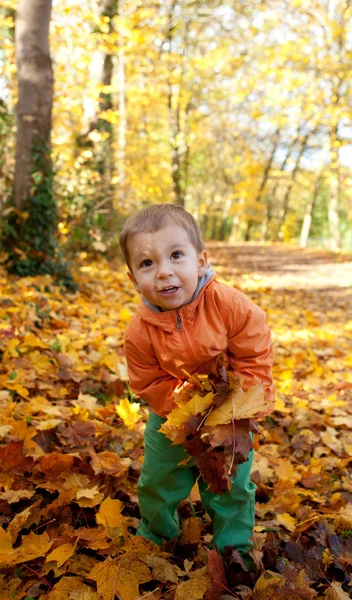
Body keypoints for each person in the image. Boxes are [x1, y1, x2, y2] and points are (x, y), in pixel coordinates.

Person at [119, 203, 275, 563]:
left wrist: (241, 405)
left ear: (201, 261)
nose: (164, 272)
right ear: (132, 278)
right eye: (147, 263)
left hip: (230, 413)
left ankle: (234, 547)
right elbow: (148, 381)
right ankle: (156, 537)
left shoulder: (230, 305)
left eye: (176, 256)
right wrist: (187, 411)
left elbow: (254, 354)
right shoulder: (140, 332)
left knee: (230, 483)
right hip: (172, 418)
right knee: (159, 480)